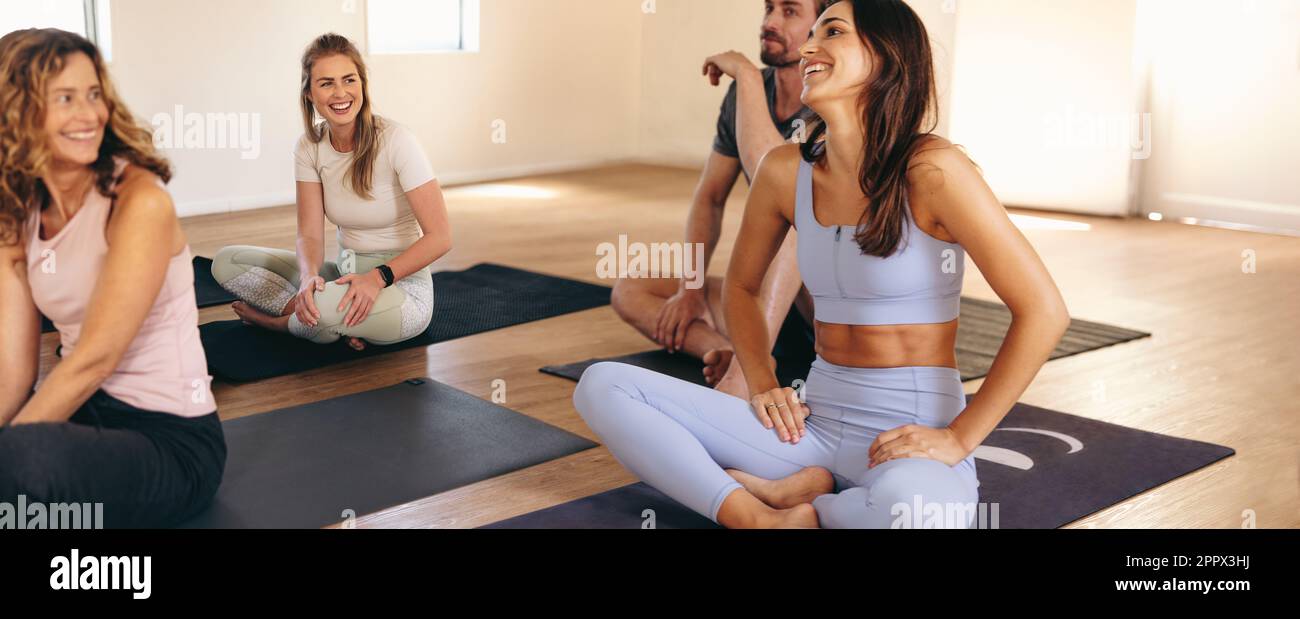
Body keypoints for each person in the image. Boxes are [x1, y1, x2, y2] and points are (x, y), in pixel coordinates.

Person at [573, 0, 1071, 528]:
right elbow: (741, 287)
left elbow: (1044, 310)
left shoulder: (933, 170)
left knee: (914, 515)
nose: (809, 46)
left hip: (906, 437)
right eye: (810, 33)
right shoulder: (785, 171)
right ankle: (754, 515)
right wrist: (763, 382)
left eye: (831, 32)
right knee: (604, 386)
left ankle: (809, 503)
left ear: (885, 55)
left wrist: (960, 436)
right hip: (808, 426)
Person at [0, 29, 226, 527]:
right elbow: (13, 375)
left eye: (94, 94)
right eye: (65, 98)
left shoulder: (138, 201)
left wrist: (10, 452)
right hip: (81, 416)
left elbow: (95, 359)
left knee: (23, 463)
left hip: (169, 439)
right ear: (19, 112)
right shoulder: (19, 214)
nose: (90, 115)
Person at [611, 0, 831, 396]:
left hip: (823, 310)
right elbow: (709, 198)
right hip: (765, 302)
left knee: (795, 219)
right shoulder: (745, 95)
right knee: (630, 289)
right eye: (769, 8)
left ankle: (747, 371)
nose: (771, 21)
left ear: (821, 29)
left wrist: (745, 74)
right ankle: (727, 352)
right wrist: (691, 290)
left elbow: (777, 176)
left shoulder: (832, 102)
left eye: (790, 11)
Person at [211, 33, 452, 350]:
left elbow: (441, 237)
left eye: (349, 80)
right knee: (228, 263)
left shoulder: (397, 141)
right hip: (341, 275)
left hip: (402, 287)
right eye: (326, 83)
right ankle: (330, 322)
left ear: (362, 84)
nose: (341, 93)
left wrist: (377, 278)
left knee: (324, 308)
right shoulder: (310, 146)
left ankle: (281, 324)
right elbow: (309, 234)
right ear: (309, 93)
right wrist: (310, 276)